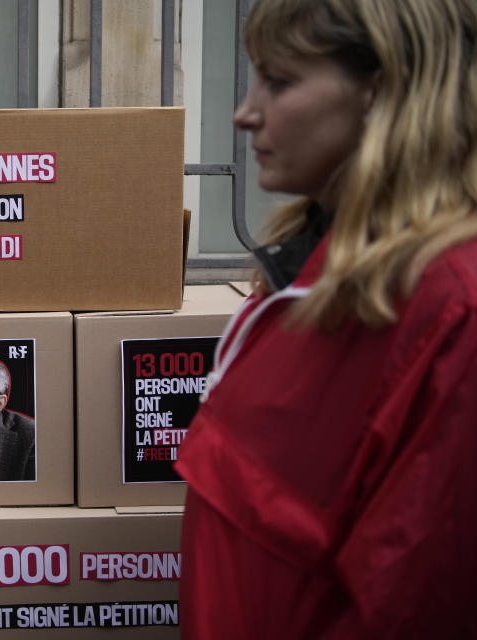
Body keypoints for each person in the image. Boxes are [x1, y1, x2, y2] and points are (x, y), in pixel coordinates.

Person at [174, 0, 477, 638]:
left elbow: (414, 602)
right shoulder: (314, 263)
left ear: (385, 89)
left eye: (279, 82)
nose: (244, 112)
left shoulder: (453, 314)